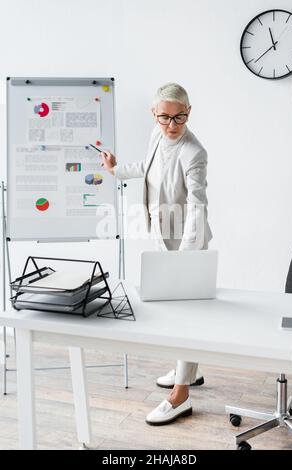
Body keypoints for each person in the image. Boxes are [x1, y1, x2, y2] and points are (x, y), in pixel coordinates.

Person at [100, 83, 212, 425]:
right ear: (155, 114)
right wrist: (116, 169)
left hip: (186, 241)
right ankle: (188, 372)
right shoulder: (156, 133)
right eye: (165, 117)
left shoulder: (194, 153)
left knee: (186, 315)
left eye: (179, 117)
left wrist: (188, 259)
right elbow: (148, 167)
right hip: (163, 234)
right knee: (174, 312)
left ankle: (180, 396)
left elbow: (197, 205)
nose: (172, 125)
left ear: (189, 112)